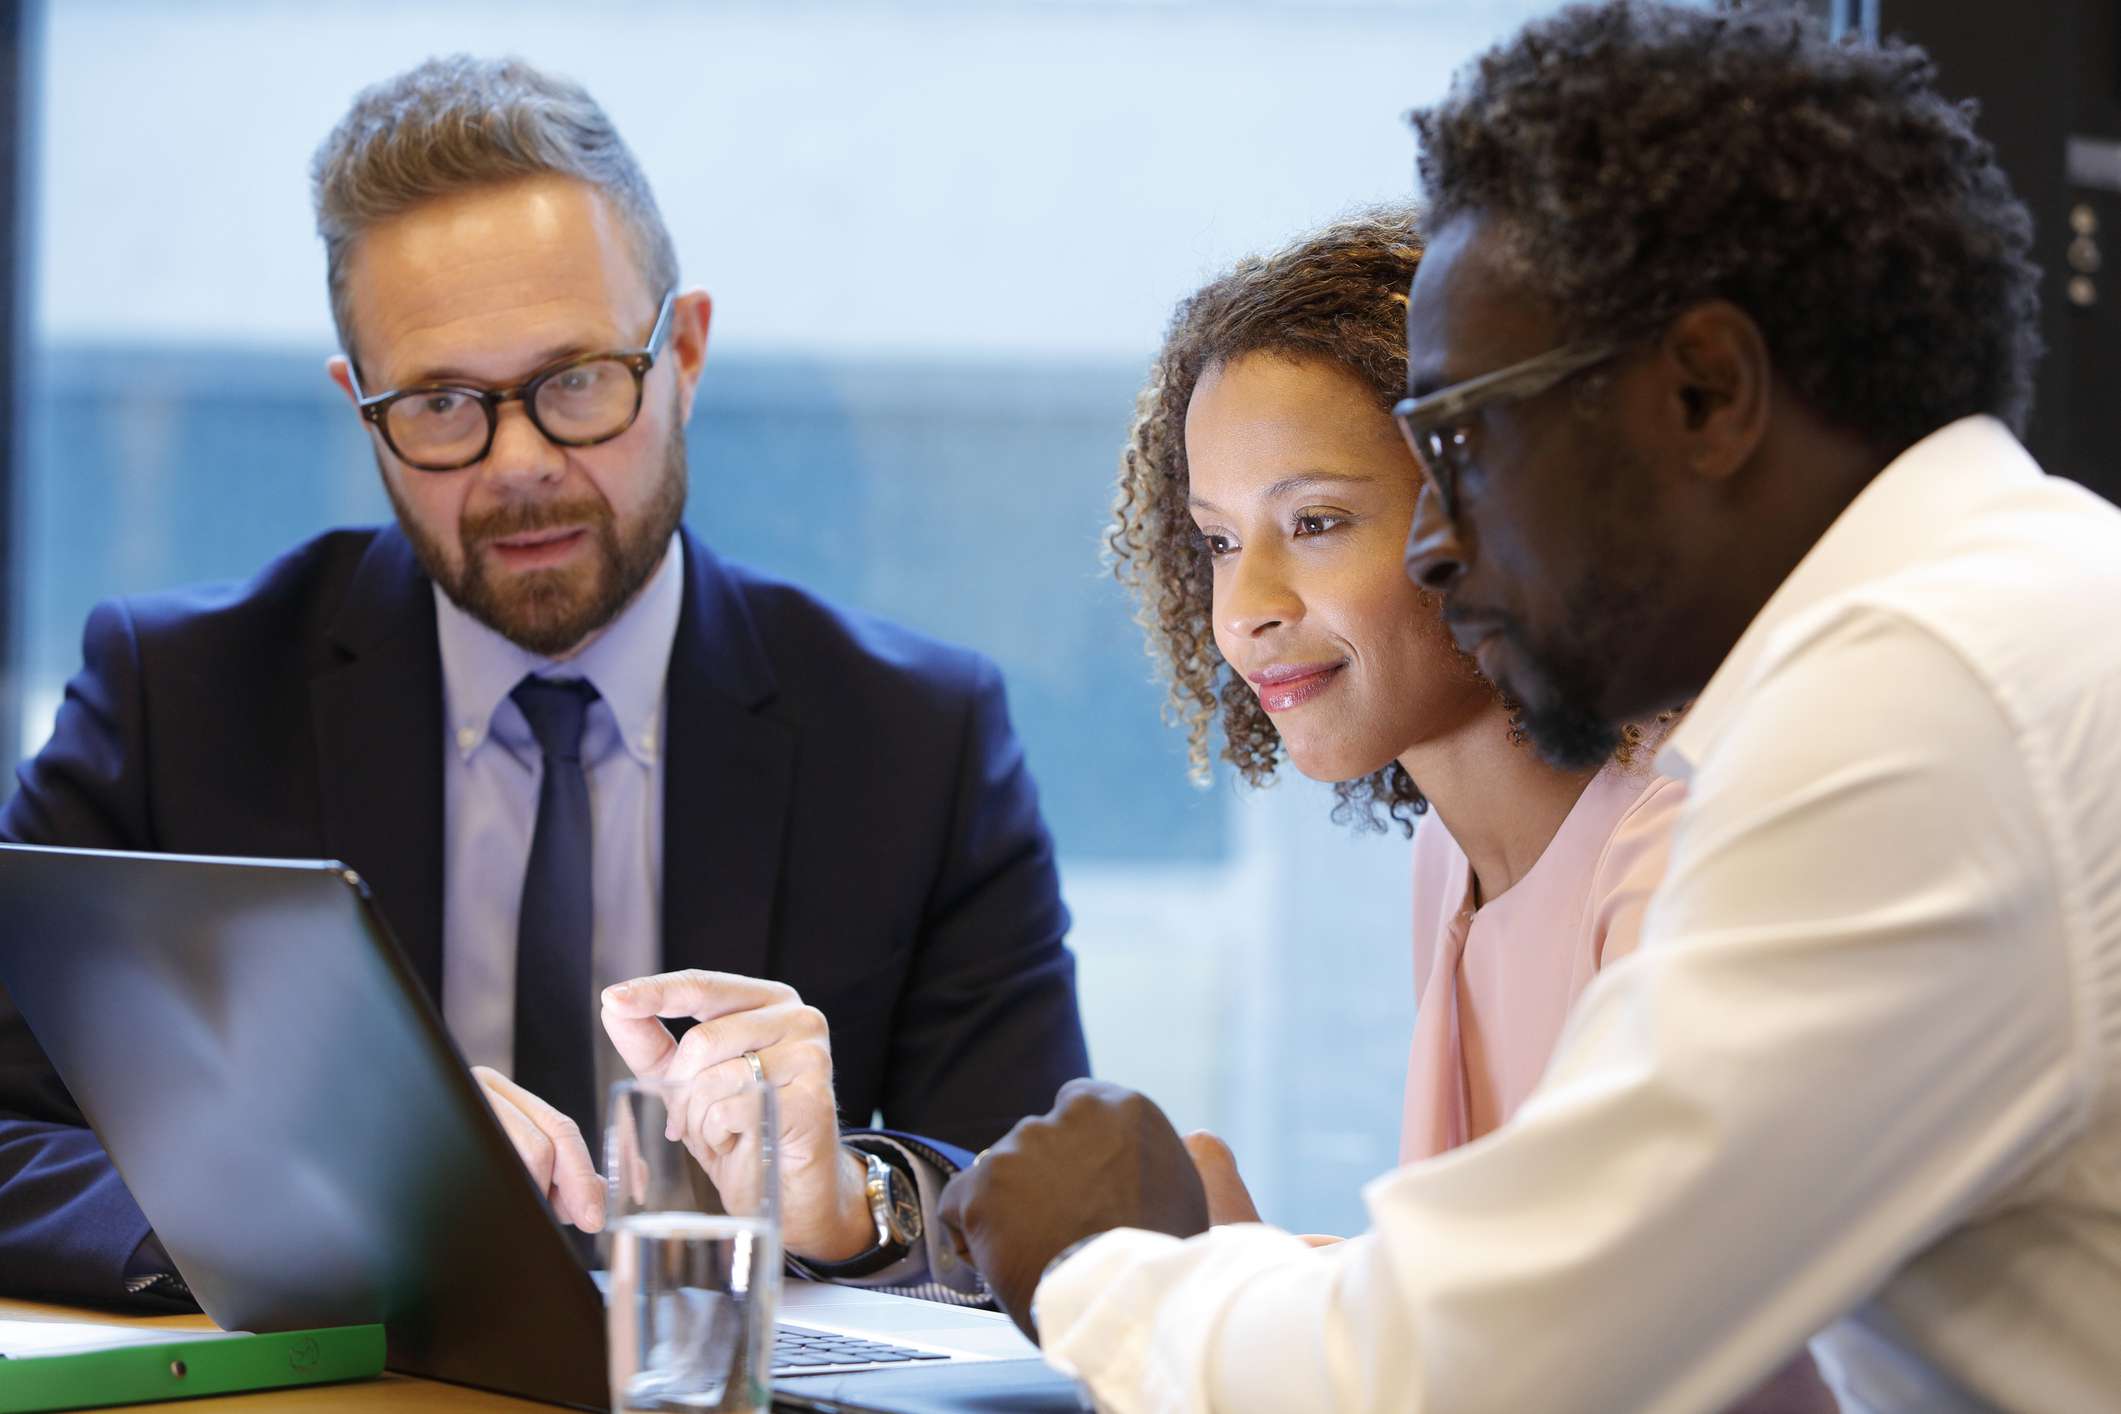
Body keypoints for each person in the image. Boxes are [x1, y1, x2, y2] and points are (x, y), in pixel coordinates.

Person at [941, 4, 2121, 1410]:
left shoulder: (1918, 705)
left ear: (1706, 391)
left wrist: (1100, 1261)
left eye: (1462, 437)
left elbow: (1489, 1369)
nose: (1441, 537)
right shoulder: (2009, 611)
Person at [0, 55, 1087, 1308]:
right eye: (445, 404)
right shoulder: (174, 701)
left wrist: (851, 1200)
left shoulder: (915, 737)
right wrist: (296, 1191)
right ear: (361, 410)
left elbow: (1042, 1202)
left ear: (682, 353)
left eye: (575, 382)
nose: (519, 464)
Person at [1104, 208, 1682, 1185]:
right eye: (1218, 541)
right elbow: (1474, 1291)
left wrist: (1216, 1277)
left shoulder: (1675, 852)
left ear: (1502, 509)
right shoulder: (1445, 857)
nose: (1245, 610)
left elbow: (1585, 1322)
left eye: (1316, 520)